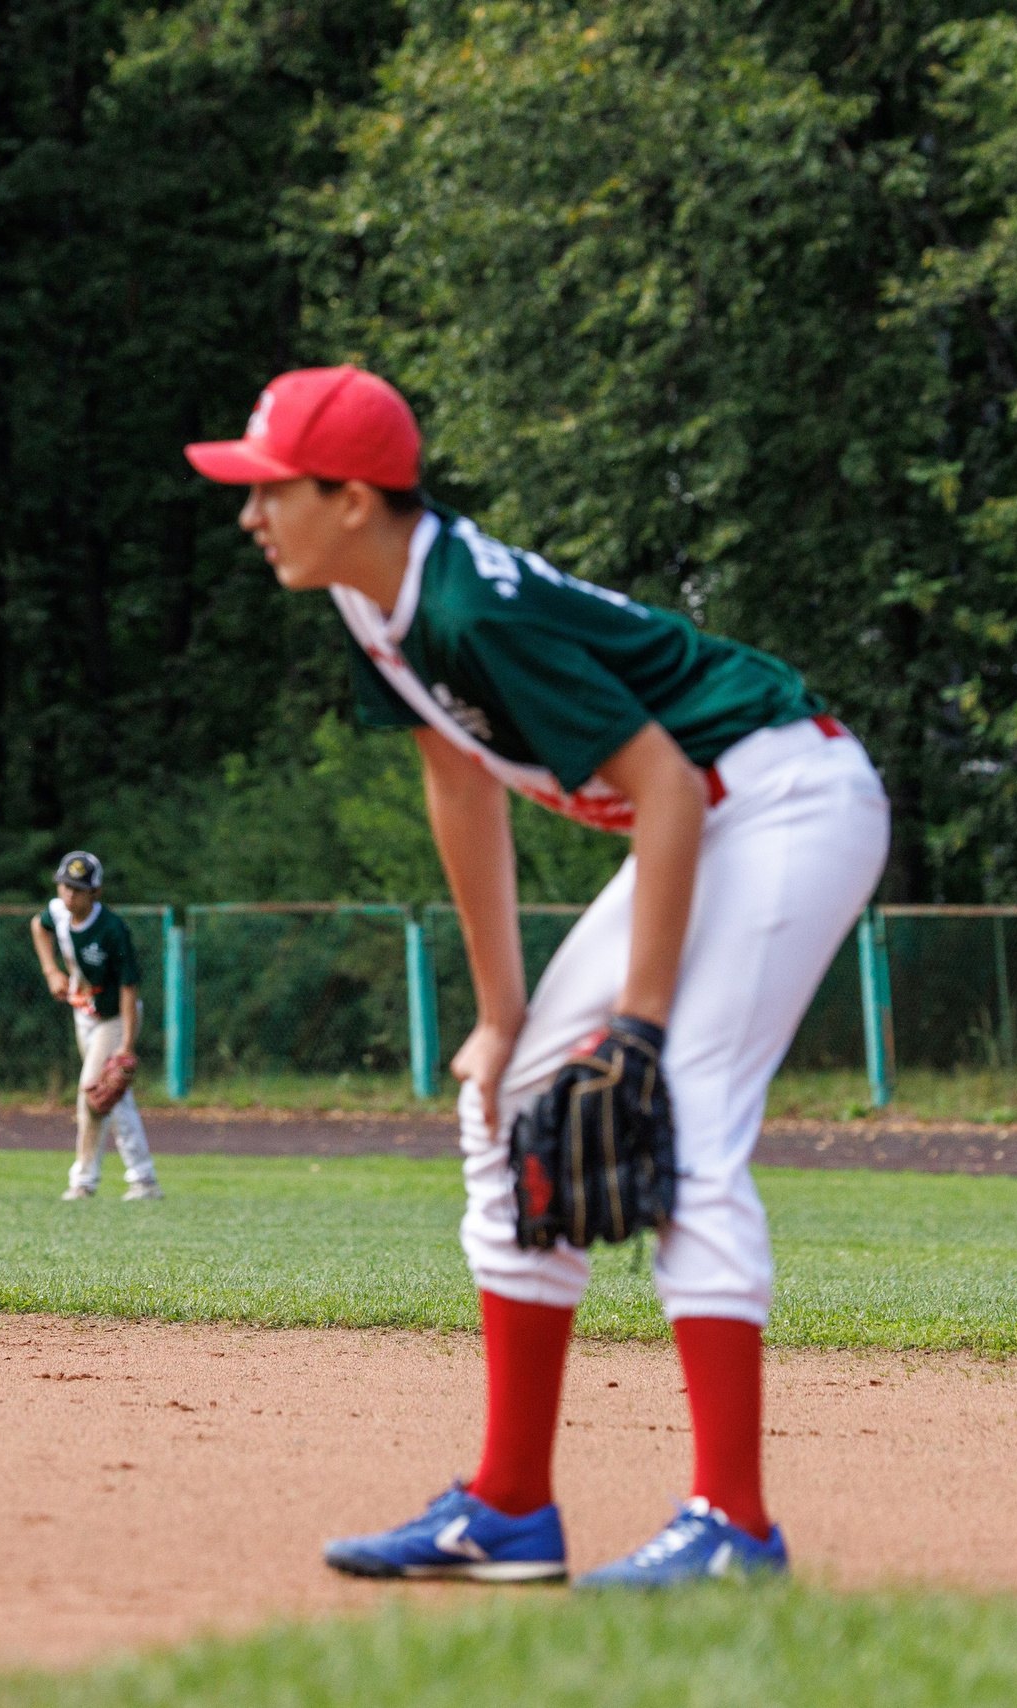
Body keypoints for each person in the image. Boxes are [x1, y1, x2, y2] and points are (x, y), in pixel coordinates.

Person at [185, 367, 888, 1587]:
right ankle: (508, 1505)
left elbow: (664, 784)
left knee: (682, 1116)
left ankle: (734, 1526)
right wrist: (502, 1015)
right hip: (714, 812)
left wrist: (642, 1023)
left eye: (270, 490)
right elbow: (458, 783)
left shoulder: (470, 609)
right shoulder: (377, 605)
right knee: (511, 1107)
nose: (251, 515)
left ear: (351, 498)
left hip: (783, 797)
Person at [27, 851, 162, 1203]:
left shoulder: (112, 930)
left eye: (78, 889)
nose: (69, 895)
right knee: (115, 1099)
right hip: (84, 1015)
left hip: (114, 1018)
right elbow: (37, 926)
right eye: (65, 886)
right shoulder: (57, 913)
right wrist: (51, 971)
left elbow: (129, 990)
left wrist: (126, 1045)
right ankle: (145, 1180)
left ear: (95, 893)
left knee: (92, 1092)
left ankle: (84, 1181)